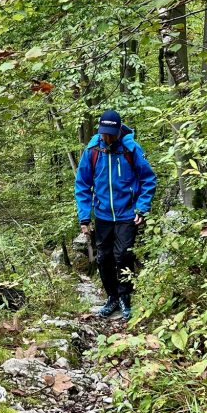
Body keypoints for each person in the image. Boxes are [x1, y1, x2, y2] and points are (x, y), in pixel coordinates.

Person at [74, 109, 157, 319]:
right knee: (104, 258)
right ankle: (112, 297)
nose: (107, 138)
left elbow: (148, 179)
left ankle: (125, 297)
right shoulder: (93, 151)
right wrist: (84, 217)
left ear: (119, 130)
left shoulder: (131, 149)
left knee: (124, 255)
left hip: (127, 213)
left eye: (111, 134)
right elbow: (82, 185)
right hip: (102, 214)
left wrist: (142, 207)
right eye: (104, 133)